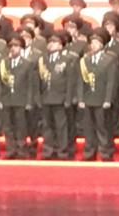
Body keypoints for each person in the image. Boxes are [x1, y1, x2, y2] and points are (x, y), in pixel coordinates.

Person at [76, 30, 118, 162]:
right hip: (88, 98)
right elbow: (81, 81)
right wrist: (81, 98)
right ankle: (89, 152)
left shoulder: (109, 60)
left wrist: (108, 99)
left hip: (101, 98)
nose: (93, 45)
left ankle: (105, 152)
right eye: (92, 43)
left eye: (96, 43)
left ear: (102, 44)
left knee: (102, 127)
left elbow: (111, 81)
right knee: (88, 128)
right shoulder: (85, 60)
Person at [37, 31, 77, 160]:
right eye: (50, 42)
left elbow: (70, 81)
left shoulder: (66, 60)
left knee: (61, 126)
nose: (51, 44)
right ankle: (48, 150)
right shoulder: (43, 60)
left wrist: (68, 98)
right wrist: (38, 97)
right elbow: (38, 80)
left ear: (61, 46)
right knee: (47, 126)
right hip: (46, 97)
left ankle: (62, 150)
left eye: (54, 42)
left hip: (60, 98)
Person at [0, 35, 38, 159]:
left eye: (16, 46)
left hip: (21, 99)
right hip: (6, 99)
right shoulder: (4, 63)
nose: (13, 48)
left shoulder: (27, 64)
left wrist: (29, 101)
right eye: (11, 46)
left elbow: (30, 84)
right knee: (8, 126)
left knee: (21, 126)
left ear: (21, 48)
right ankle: (10, 150)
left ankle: (21, 150)